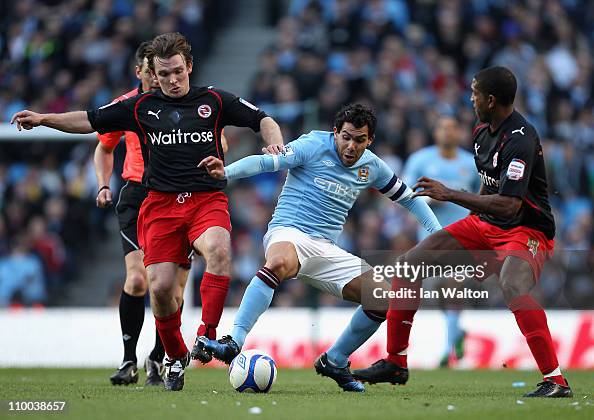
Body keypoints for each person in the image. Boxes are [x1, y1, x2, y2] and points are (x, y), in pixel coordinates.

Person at [11, 32, 284, 391]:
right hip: (160, 206)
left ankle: (208, 335)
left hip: (205, 199)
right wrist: (45, 119)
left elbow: (262, 119)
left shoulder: (215, 100)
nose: (172, 80)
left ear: (189, 66)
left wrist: (275, 143)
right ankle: (174, 355)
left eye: (177, 72)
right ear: (153, 73)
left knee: (219, 249)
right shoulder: (140, 107)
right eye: (163, 74)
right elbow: (89, 120)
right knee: (159, 288)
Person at [353, 67, 572, 398]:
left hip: (527, 229)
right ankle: (396, 362)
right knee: (409, 266)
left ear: (491, 99)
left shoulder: (520, 139)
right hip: (485, 224)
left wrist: (450, 193)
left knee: (512, 285)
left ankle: (555, 380)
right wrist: (467, 228)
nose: (471, 99)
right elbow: (488, 189)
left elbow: (511, 205)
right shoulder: (482, 132)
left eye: (475, 94)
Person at [196, 103, 441, 392]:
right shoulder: (312, 144)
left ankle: (335, 360)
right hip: (289, 232)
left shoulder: (372, 166)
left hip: (327, 248)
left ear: (370, 140)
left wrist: (439, 235)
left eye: (360, 140)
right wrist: (226, 172)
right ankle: (234, 341)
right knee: (277, 263)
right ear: (335, 132)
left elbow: (410, 199)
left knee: (383, 299)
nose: (351, 146)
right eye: (346, 137)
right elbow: (265, 163)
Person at [94, 41, 229, 386]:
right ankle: (128, 360)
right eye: (155, 72)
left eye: (170, 72)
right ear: (142, 72)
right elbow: (104, 145)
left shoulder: (187, 104)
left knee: (173, 290)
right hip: (138, 195)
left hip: (179, 195)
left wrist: (215, 151)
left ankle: (162, 357)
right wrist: (102, 184)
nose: (162, 79)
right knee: (139, 279)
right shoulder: (129, 106)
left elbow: (218, 139)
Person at [402, 114, 480, 367]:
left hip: (462, 236)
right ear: (435, 133)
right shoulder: (420, 160)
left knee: (453, 286)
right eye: (443, 128)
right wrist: (428, 200)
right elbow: (404, 194)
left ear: (459, 133)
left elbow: (482, 196)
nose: (448, 132)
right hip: (430, 238)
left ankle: (448, 351)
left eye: (452, 128)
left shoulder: (472, 163)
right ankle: (456, 333)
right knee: (438, 293)